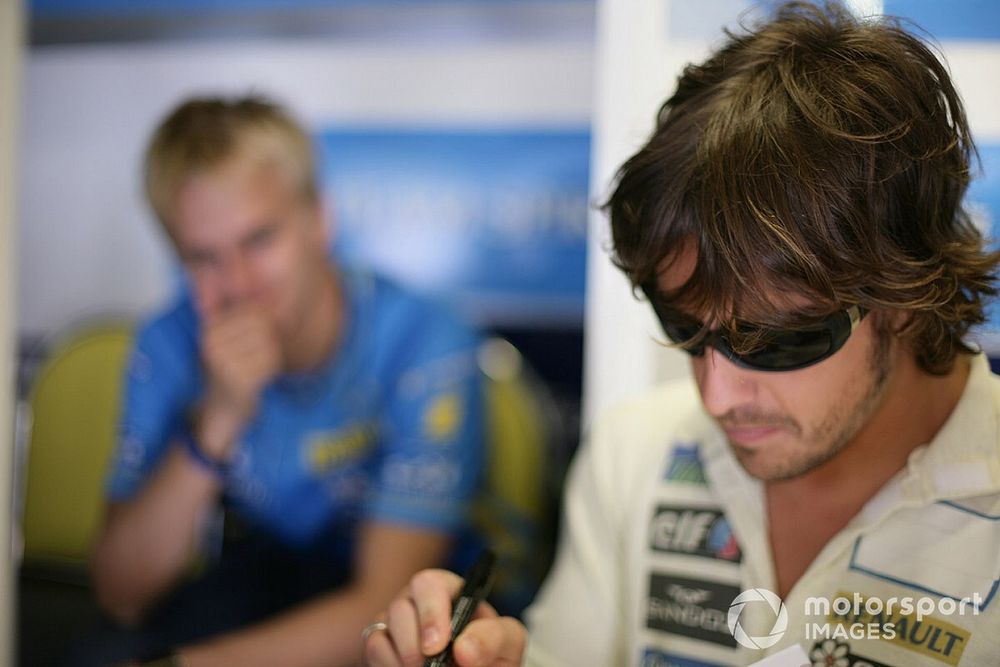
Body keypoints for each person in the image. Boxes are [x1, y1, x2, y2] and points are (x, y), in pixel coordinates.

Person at [362, 2, 1000, 666]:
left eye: (775, 341)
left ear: (901, 297)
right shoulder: (635, 453)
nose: (717, 394)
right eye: (684, 327)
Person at [83, 95, 488, 667]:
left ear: (321, 219)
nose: (238, 283)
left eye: (259, 240)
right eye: (203, 258)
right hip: (267, 583)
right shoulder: (169, 341)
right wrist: (217, 420)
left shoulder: (423, 339)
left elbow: (385, 606)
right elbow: (123, 595)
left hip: (416, 613)